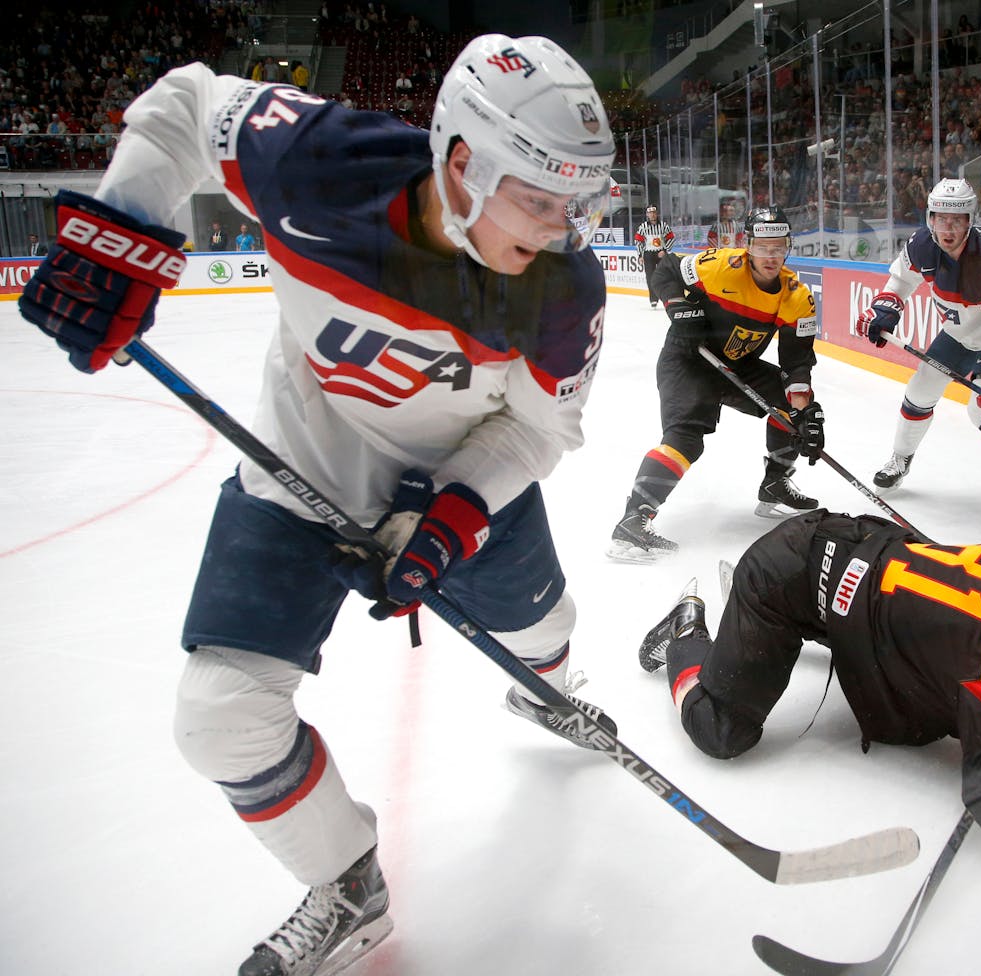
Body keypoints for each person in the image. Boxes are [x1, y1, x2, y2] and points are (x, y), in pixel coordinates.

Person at [17, 33, 618, 976]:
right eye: (536, 200)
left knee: (545, 625)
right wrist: (117, 236)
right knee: (219, 716)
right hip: (302, 468)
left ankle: (549, 687)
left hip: (465, 481)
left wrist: (456, 516)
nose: (556, 229)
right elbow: (187, 104)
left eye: (573, 206)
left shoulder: (565, 286)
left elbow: (538, 431)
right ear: (463, 163)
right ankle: (348, 883)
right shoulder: (318, 161)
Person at [637, 510, 981, 922]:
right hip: (786, 580)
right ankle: (688, 630)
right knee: (720, 732)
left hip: (849, 551)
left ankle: (767, 633)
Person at [607, 206, 824, 562]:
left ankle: (774, 484)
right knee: (685, 438)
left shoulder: (796, 296)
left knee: (792, 408)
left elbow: (797, 363)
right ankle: (633, 521)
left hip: (736, 365)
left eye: (778, 246)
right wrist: (678, 303)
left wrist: (803, 415)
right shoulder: (719, 266)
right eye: (762, 246)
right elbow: (666, 268)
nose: (770, 256)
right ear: (748, 245)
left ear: (788, 247)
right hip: (689, 359)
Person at [854, 177, 981, 534]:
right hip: (959, 331)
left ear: (970, 220)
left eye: (957, 220)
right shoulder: (922, 243)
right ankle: (901, 459)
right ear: (930, 218)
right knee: (920, 389)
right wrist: (887, 307)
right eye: (940, 219)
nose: (948, 229)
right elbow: (901, 280)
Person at [635, 204, 674, 308]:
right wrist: (640, 255)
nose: (652, 215)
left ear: (656, 214)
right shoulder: (643, 227)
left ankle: (666, 297)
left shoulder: (663, 226)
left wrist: (665, 250)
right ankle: (653, 299)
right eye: (650, 213)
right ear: (647, 214)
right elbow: (638, 241)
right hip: (648, 254)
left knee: (665, 276)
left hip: (661, 253)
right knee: (650, 277)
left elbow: (671, 238)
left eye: (654, 212)